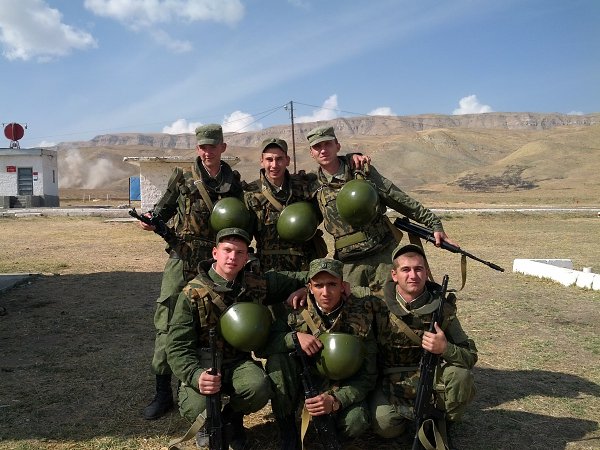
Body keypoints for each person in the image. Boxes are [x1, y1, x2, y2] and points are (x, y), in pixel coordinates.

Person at [166, 227, 310, 449]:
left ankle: (233, 416)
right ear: (215, 253)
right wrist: (195, 376)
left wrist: (307, 288)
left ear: (246, 257)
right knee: (197, 409)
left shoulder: (255, 284)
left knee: (258, 388)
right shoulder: (192, 294)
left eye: (239, 252)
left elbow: (304, 277)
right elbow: (177, 347)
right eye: (227, 250)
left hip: (237, 362)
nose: (232, 257)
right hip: (203, 364)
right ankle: (207, 423)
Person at [137, 124, 244, 420]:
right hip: (181, 259)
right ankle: (162, 392)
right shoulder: (183, 178)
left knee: (218, 318)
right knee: (167, 322)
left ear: (223, 147)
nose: (207, 152)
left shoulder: (234, 183)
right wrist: (150, 220)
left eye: (213, 146)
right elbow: (162, 210)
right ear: (197, 148)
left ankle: (220, 381)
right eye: (202, 147)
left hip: (216, 265)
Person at [306, 125, 456, 294]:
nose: (323, 150)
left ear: (337, 146)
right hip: (349, 263)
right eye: (317, 146)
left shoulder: (361, 170)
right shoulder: (311, 185)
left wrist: (433, 223)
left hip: (382, 254)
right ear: (311, 152)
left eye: (328, 144)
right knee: (353, 306)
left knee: (393, 303)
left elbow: (397, 198)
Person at [266, 258, 379, 449]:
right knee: (277, 361)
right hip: (303, 384)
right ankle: (287, 427)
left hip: (341, 386)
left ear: (343, 286)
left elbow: (368, 374)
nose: (325, 292)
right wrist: (294, 338)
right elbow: (265, 345)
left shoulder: (360, 317)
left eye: (332, 284)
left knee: (356, 421)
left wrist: (337, 400)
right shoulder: (295, 312)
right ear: (309, 287)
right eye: (319, 285)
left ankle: (333, 431)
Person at [371, 243, 477, 446]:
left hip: (431, 376)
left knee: (460, 375)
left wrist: (445, 348)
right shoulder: (375, 301)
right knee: (385, 425)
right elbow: (334, 292)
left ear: (426, 272)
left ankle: (444, 420)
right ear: (394, 275)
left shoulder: (442, 308)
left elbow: (470, 356)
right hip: (390, 379)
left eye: (419, 269)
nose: (413, 275)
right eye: (406, 269)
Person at [243, 137, 325, 273]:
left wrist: (350, 158)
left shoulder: (303, 187)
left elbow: (330, 175)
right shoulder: (251, 194)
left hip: (304, 269)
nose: (274, 165)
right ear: (261, 161)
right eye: (269, 159)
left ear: (287, 160)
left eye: (279, 159)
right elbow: (243, 237)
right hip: (269, 272)